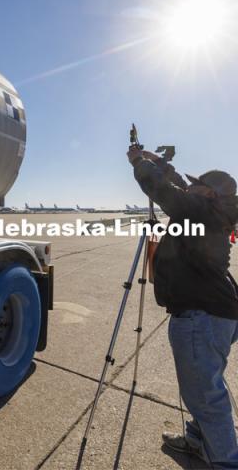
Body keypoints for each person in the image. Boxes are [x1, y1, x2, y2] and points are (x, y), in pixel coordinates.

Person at [127, 144, 238, 469]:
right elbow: (176, 183)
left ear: (211, 193)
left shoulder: (199, 210)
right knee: (201, 387)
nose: (189, 186)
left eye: (196, 185)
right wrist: (154, 158)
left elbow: (164, 189)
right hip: (216, 314)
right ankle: (197, 440)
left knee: (206, 397)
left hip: (200, 316)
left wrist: (138, 163)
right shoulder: (211, 210)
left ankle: (227, 463)